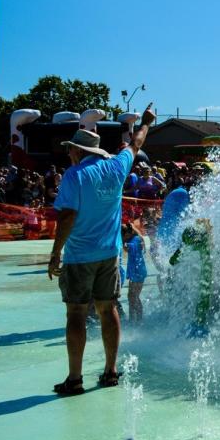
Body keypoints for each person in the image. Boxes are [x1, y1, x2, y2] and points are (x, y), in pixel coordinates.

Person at [47, 104, 155, 396]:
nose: (68, 154)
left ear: (77, 151)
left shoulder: (74, 175)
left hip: (80, 256)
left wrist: (55, 253)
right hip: (109, 254)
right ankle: (110, 371)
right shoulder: (116, 167)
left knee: (76, 313)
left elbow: (67, 217)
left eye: (70, 149)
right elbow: (136, 143)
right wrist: (146, 122)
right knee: (108, 309)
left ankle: (75, 378)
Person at [121, 219, 149, 324]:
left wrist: (124, 243)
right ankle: (132, 319)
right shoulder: (135, 239)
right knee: (130, 296)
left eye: (122, 236)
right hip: (136, 271)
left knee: (134, 296)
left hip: (138, 272)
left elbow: (128, 248)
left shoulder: (135, 241)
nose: (121, 238)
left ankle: (139, 319)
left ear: (128, 234)